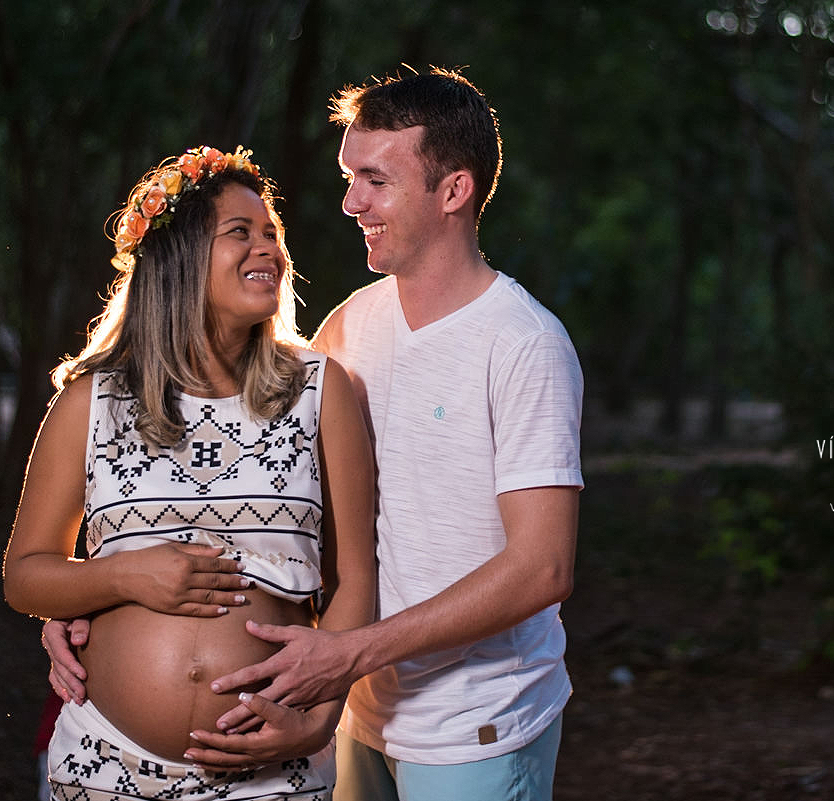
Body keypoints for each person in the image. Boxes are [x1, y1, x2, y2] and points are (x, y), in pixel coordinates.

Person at [47, 68, 584, 800]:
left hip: (475, 724)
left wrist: (347, 653)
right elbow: (289, 532)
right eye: (348, 176)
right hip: (354, 719)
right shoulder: (348, 329)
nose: (349, 201)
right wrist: (84, 607)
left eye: (374, 180)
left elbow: (543, 568)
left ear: (453, 191)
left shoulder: (523, 344)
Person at [6, 145, 375, 801]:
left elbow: (353, 581)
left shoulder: (320, 390)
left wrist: (316, 719)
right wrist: (121, 574)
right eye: (242, 233)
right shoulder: (92, 401)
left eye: (273, 235)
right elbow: (25, 574)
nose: (269, 250)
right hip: (103, 765)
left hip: (273, 774)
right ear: (178, 258)